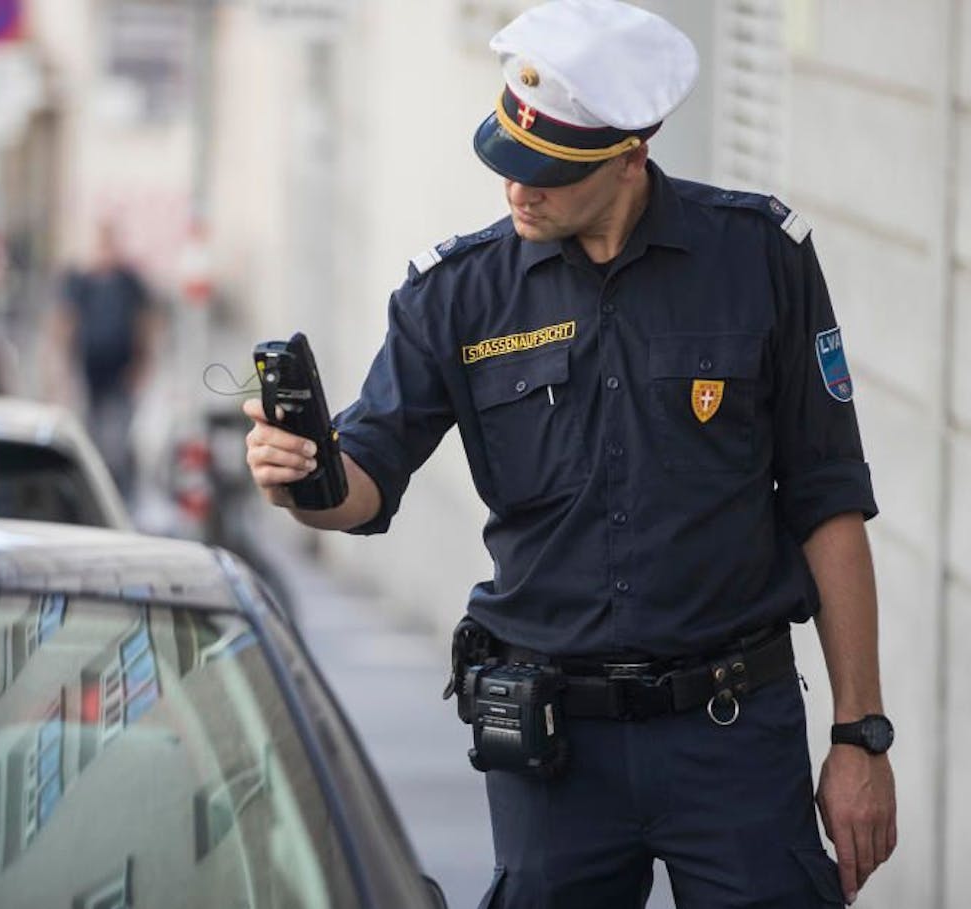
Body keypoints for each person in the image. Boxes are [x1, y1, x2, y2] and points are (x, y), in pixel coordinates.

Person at [242, 1, 895, 906]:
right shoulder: (455, 296)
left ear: (632, 155)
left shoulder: (759, 260)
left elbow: (829, 500)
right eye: (506, 159)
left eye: (547, 170)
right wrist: (301, 472)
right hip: (553, 751)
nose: (518, 189)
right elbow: (365, 480)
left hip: (733, 732)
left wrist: (861, 735)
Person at [53, 221, 158, 500]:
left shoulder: (128, 282)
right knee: (91, 437)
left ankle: (122, 496)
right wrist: (61, 370)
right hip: (90, 370)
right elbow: (66, 322)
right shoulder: (81, 281)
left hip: (121, 369)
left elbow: (144, 323)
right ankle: (95, 495)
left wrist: (143, 364)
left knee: (119, 441)